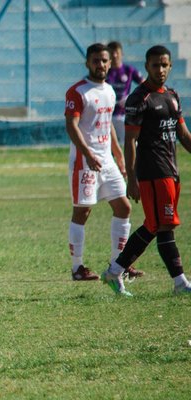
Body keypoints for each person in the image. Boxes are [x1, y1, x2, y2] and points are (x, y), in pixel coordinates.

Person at [101, 45, 191, 296]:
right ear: (146, 66)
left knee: (154, 225)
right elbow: (130, 140)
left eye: (164, 65)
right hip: (152, 172)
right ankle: (180, 283)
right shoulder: (139, 99)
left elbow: (182, 134)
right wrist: (132, 177)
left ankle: (115, 270)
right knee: (163, 225)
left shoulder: (172, 96)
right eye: (155, 65)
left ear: (170, 66)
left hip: (171, 171)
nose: (160, 70)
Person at [64, 43, 135, 282]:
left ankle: (119, 265)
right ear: (87, 63)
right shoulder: (78, 91)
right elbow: (71, 126)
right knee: (82, 212)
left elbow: (109, 127)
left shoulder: (109, 91)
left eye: (104, 60)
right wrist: (87, 153)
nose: (101, 65)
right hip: (85, 163)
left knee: (124, 208)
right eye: (96, 60)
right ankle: (77, 268)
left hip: (106, 161)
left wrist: (118, 155)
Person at [106, 41, 145, 146]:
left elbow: (145, 85)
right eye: (111, 53)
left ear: (121, 54)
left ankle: (132, 162)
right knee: (108, 145)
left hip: (124, 114)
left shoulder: (129, 70)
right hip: (107, 114)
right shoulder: (104, 72)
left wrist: (132, 97)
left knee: (130, 143)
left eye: (116, 52)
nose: (114, 56)